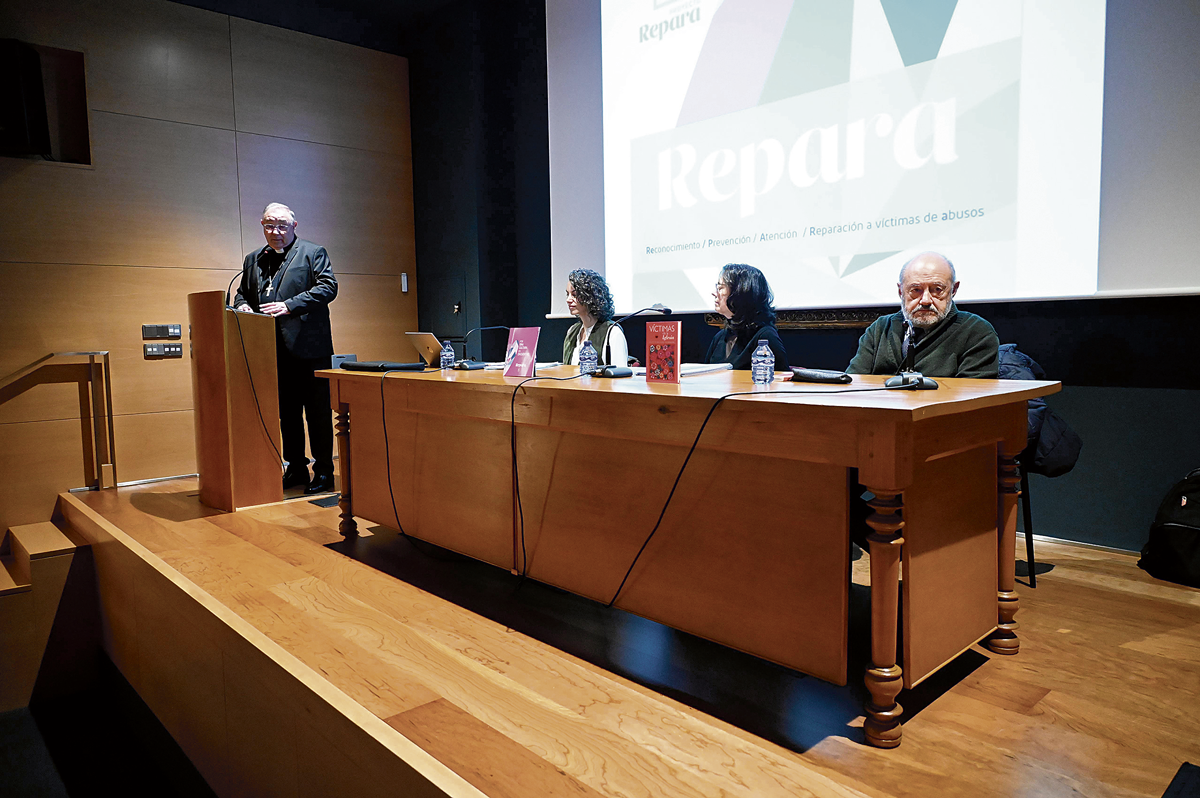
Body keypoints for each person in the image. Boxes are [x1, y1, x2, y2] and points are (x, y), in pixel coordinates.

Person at [234, 203, 338, 494]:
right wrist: (242, 304)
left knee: (317, 414)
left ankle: (324, 472)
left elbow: (328, 287)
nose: (275, 232)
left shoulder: (313, 252)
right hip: (271, 351)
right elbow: (243, 291)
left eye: (281, 225)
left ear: (294, 226)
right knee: (287, 414)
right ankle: (295, 468)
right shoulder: (254, 259)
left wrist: (288, 306)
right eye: (269, 225)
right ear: (262, 225)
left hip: (309, 349)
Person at [847, 251, 998, 378]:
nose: (925, 300)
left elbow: (972, 400)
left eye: (937, 289)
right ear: (901, 291)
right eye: (916, 290)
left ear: (953, 290)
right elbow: (853, 384)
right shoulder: (880, 329)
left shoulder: (976, 332)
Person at [704, 263, 790, 370]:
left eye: (720, 288)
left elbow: (782, 380)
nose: (714, 293)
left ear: (740, 292)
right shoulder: (720, 337)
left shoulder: (765, 337)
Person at [562, 269, 629, 368]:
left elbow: (621, 377)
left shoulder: (612, 333)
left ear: (590, 296)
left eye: (575, 295)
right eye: (568, 294)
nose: (568, 300)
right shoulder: (572, 332)